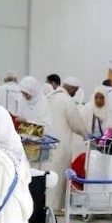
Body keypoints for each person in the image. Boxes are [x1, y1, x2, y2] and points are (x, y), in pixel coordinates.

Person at [45, 77, 88, 209]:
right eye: (75, 91)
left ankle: (45, 207)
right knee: (58, 179)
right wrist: (86, 135)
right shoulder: (67, 100)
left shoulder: (49, 96)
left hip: (46, 144)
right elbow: (76, 123)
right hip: (60, 146)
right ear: (71, 89)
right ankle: (54, 208)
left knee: (47, 177)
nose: (75, 93)